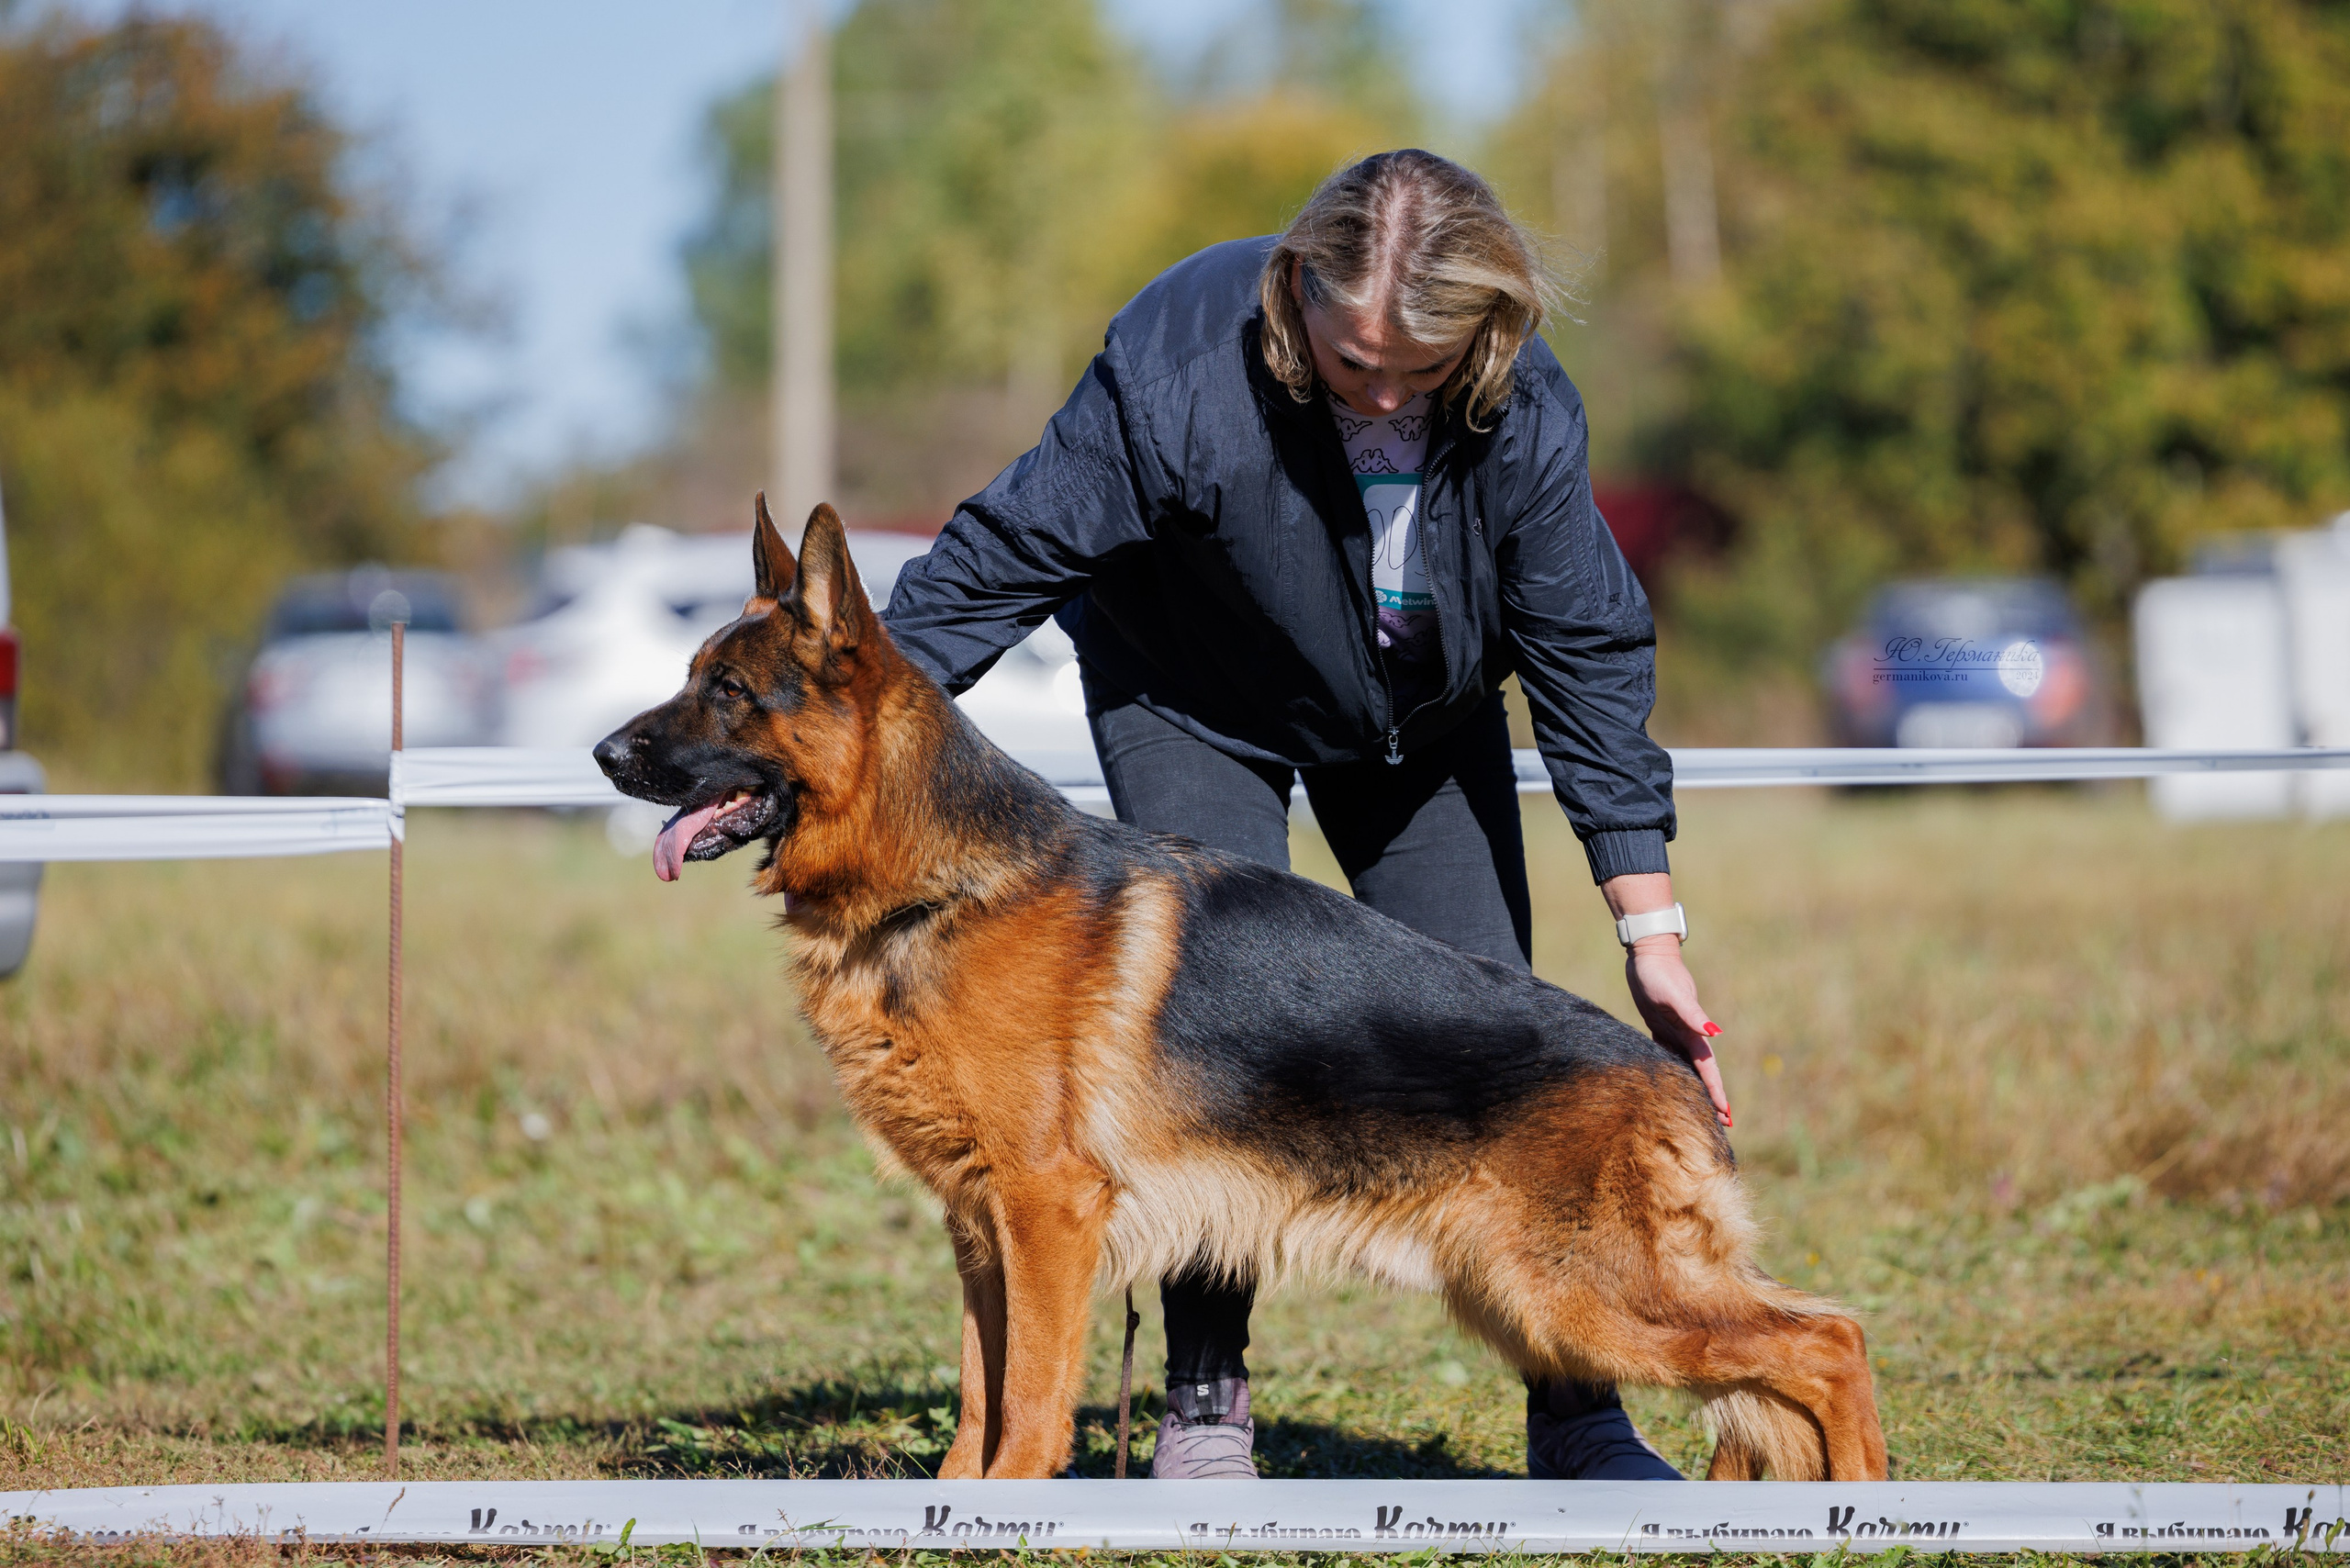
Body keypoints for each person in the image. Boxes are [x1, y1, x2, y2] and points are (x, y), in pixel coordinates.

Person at [879, 149, 1729, 1482]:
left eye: (1421, 370)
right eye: (1352, 364)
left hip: (1421, 724)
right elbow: (1001, 560)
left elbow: (1588, 654)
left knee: (1495, 1028)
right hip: (1194, 699)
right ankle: (1206, 1406)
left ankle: (1579, 1418)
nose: (1386, 393)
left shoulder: (1527, 408)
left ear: (1484, 332)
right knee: (1198, 1041)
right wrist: (840, 718)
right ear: (1295, 294)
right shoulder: (1174, 364)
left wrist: (1651, 928)